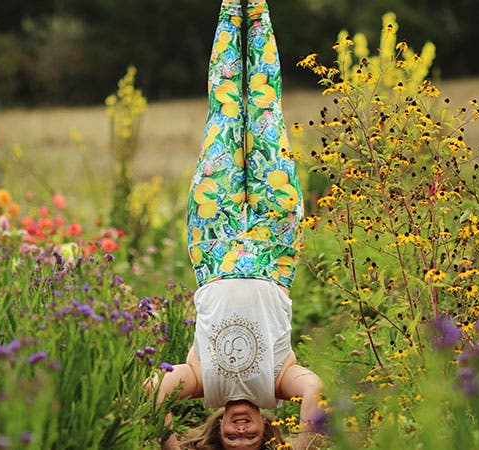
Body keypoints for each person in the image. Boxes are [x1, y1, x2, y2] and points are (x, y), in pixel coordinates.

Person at [150, 0, 324, 449]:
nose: (242, 430)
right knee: (265, 112)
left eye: (233, 439)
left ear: (218, 431)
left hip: (213, 246)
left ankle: (232, 8)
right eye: (251, 439)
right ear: (269, 430)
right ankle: (259, 12)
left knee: (223, 114)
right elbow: (315, 390)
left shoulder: (202, 380)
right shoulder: (281, 381)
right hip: (274, 249)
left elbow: (150, 394)